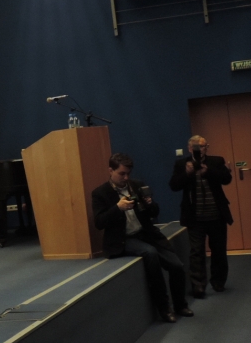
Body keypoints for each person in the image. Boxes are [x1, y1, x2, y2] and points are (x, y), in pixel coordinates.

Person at [92, 153, 192, 322]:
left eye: (128, 174)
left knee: (177, 265)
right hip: (123, 239)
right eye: (122, 174)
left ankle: (180, 305)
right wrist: (117, 208)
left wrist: (150, 203)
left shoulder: (137, 186)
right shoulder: (100, 193)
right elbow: (99, 223)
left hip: (146, 233)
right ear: (110, 171)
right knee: (150, 253)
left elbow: (155, 212)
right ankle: (164, 308)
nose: (126, 177)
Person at [169, 135, 233, 298]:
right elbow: (174, 185)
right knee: (196, 252)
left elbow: (227, 179)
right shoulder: (182, 164)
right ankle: (198, 286)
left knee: (219, 250)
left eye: (203, 146)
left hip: (216, 214)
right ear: (189, 148)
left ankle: (218, 282)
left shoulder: (216, 161)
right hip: (195, 217)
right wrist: (187, 173)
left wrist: (208, 171)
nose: (200, 149)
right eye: (197, 147)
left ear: (207, 148)